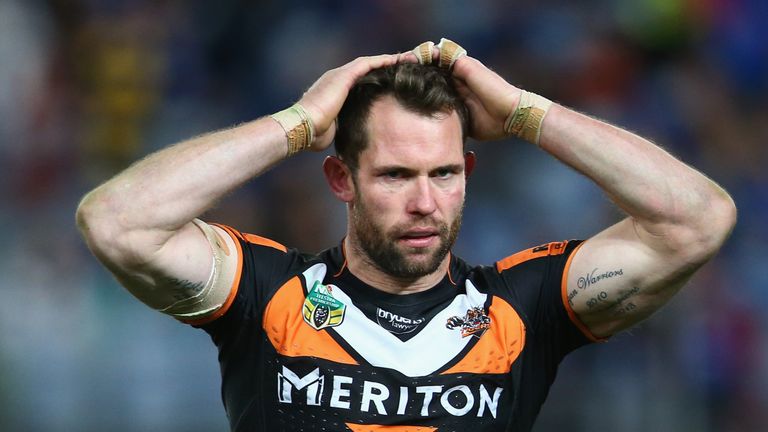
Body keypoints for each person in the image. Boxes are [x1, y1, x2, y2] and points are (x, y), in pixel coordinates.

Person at [76, 39, 736, 431]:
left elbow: (697, 218)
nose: (426, 203)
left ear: (467, 171)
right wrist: (300, 121)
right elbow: (115, 221)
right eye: (395, 175)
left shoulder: (520, 311)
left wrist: (524, 113)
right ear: (340, 178)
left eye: (444, 173)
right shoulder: (267, 294)